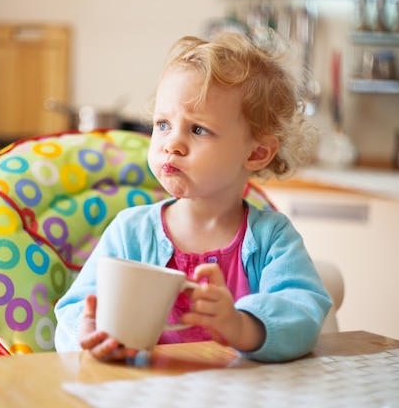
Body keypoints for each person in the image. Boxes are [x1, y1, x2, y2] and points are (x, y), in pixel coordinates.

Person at [54, 29, 332, 363]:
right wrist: (87, 331)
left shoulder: (272, 238)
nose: (171, 143)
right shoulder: (130, 232)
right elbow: (77, 308)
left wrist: (240, 324)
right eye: (162, 124)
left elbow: (303, 311)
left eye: (198, 129)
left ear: (257, 153)